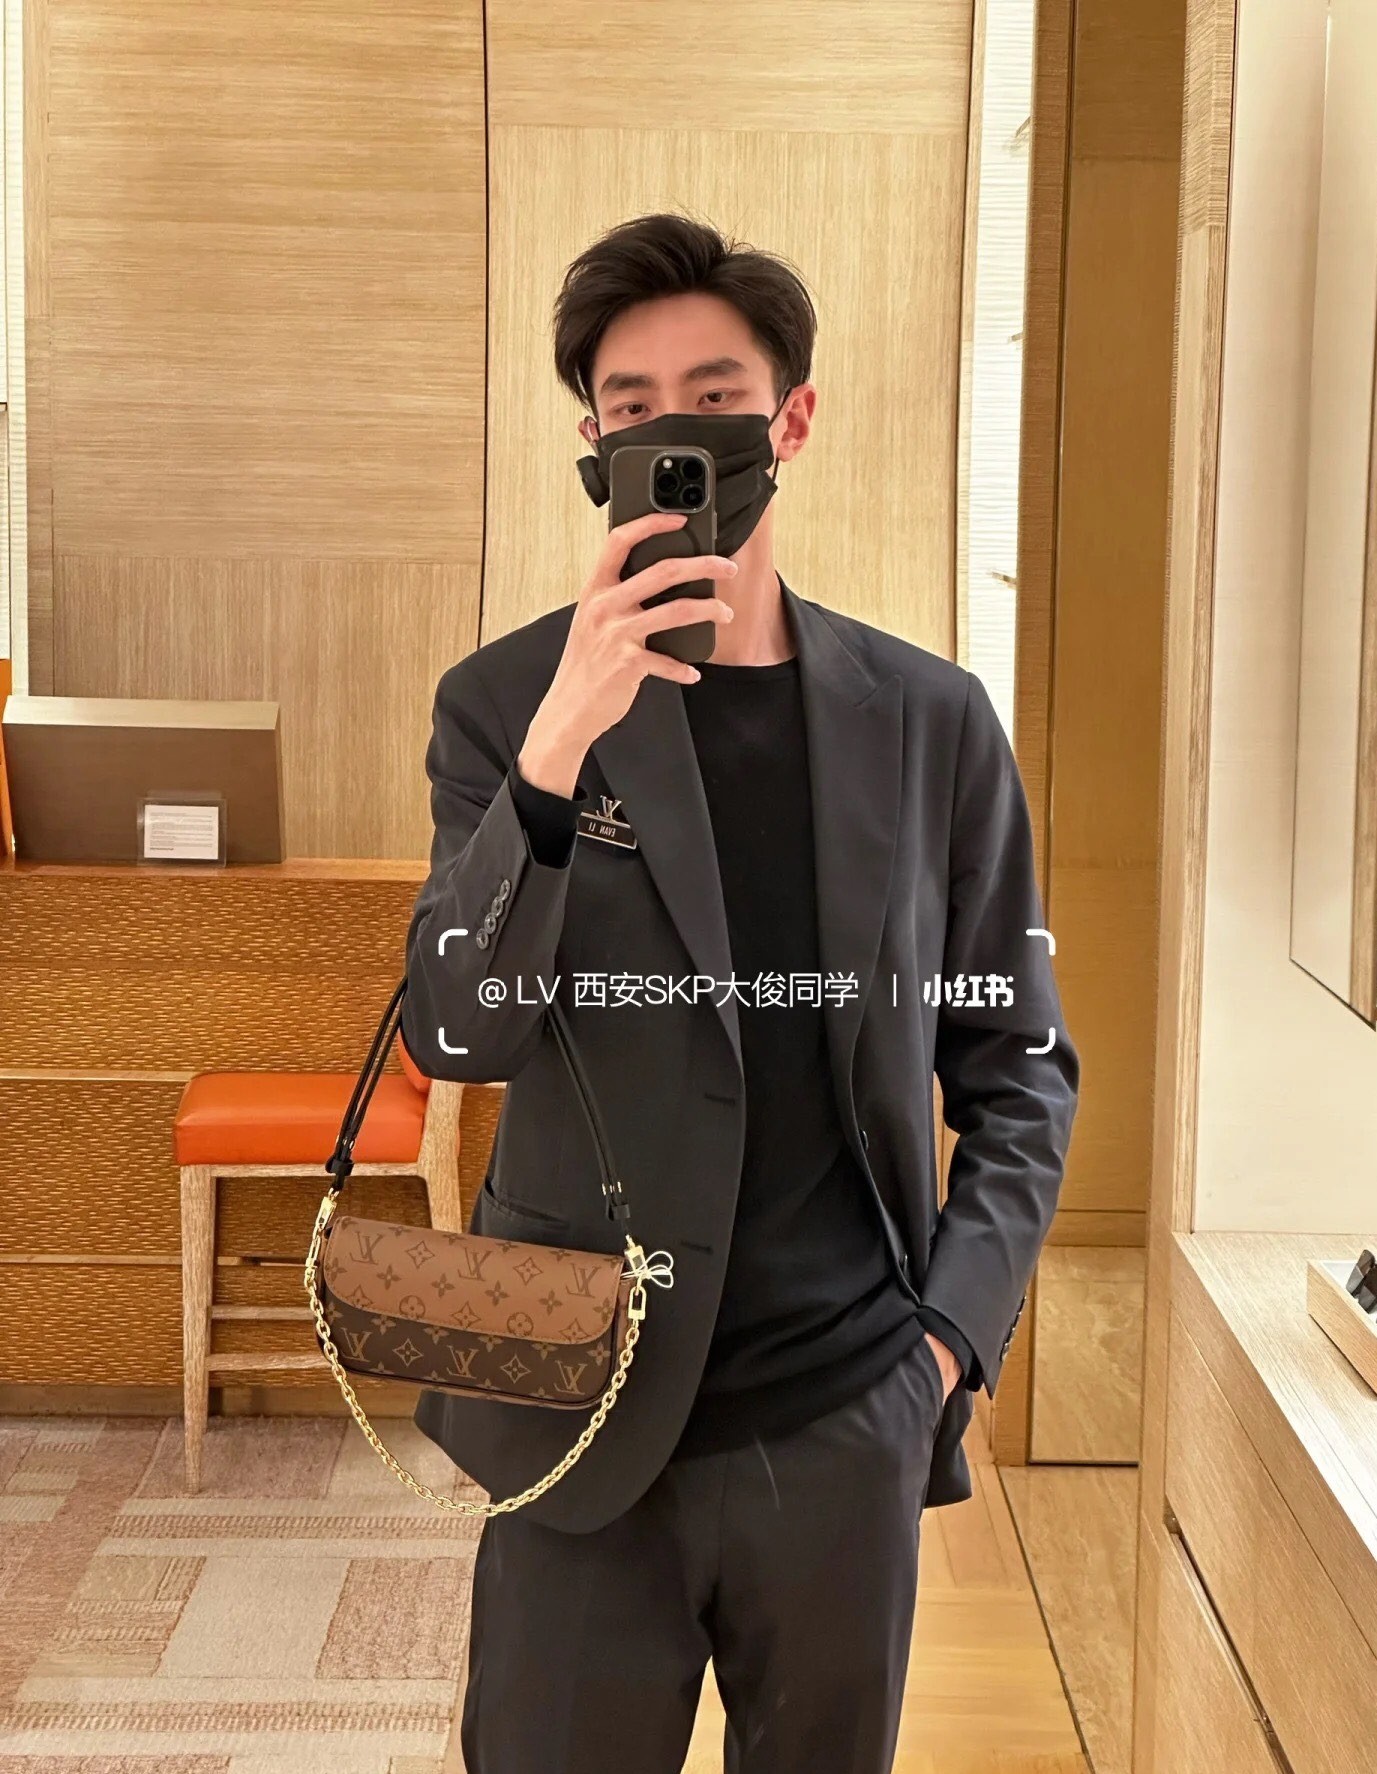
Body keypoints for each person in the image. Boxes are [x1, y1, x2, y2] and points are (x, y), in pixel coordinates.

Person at [400, 211, 1080, 1774]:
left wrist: (943, 1347)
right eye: (633, 408)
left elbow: (1018, 1064)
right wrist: (559, 749)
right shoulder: (501, 705)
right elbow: (457, 1029)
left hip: (842, 1410)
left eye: (715, 397)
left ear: (791, 420)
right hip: (572, 1400)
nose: (676, 435)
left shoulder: (930, 721)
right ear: (593, 448)